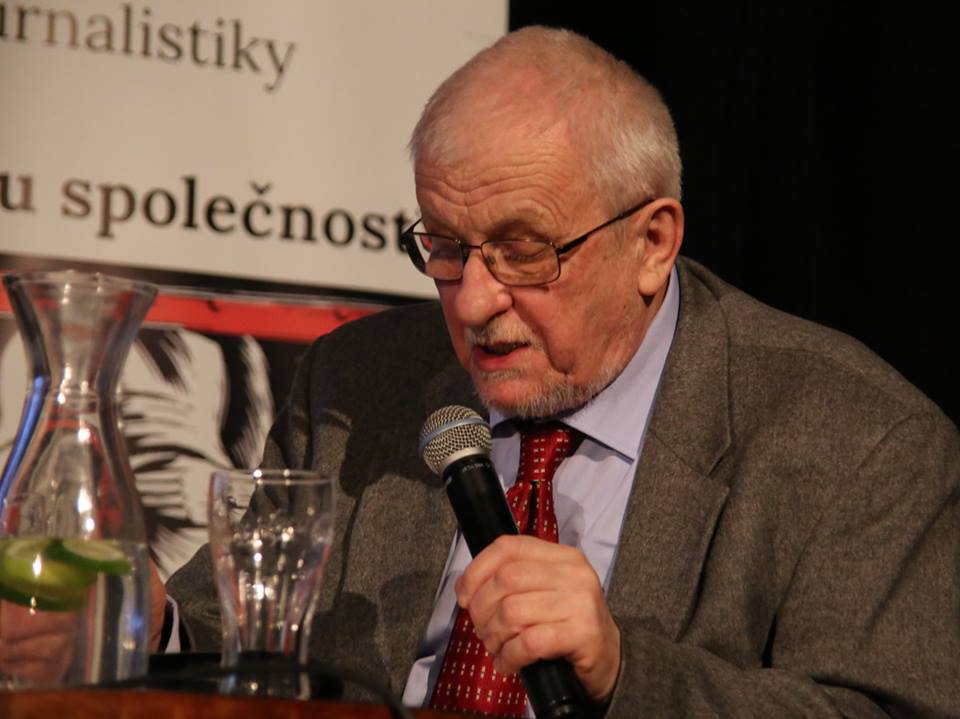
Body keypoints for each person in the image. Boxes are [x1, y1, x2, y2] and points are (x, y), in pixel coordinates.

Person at [167, 26, 960, 717]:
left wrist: (624, 671)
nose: (474, 301)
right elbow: (231, 633)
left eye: (523, 250)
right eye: (445, 247)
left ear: (651, 244)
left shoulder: (861, 441)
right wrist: (142, 620)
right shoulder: (353, 382)